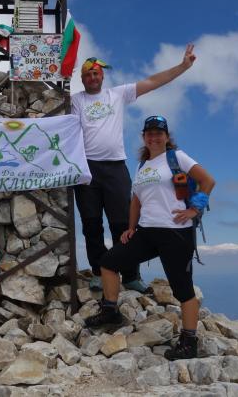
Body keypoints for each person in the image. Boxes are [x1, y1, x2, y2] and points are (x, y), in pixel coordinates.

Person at [84, 115, 215, 361]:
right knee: (109, 262)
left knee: (182, 289)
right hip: (146, 231)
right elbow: (136, 199)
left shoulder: (177, 158)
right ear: (144, 137)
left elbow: (208, 180)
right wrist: (131, 227)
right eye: (150, 133)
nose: (154, 137)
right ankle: (111, 311)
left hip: (176, 232)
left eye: (159, 133)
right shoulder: (142, 166)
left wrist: (194, 209)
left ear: (166, 137)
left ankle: (189, 341)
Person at [72, 44, 198, 293]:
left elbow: (153, 81)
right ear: (82, 78)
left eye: (96, 73)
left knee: (122, 222)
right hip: (86, 169)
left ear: (103, 75)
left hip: (116, 167)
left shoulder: (118, 94)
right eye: (87, 74)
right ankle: (99, 272)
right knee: (91, 223)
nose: (93, 77)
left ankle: (130, 275)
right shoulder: (75, 101)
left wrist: (183, 67)